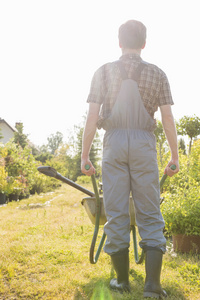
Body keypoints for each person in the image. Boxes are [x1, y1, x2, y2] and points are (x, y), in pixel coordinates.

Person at [81, 20, 179, 298]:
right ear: (144, 43)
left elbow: (91, 116)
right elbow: (167, 117)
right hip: (144, 144)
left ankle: (121, 281)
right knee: (149, 211)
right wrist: (174, 155)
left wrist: (85, 154)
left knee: (116, 211)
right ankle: (152, 286)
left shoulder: (102, 72)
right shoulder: (157, 74)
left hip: (113, 143)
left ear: (119, 42)